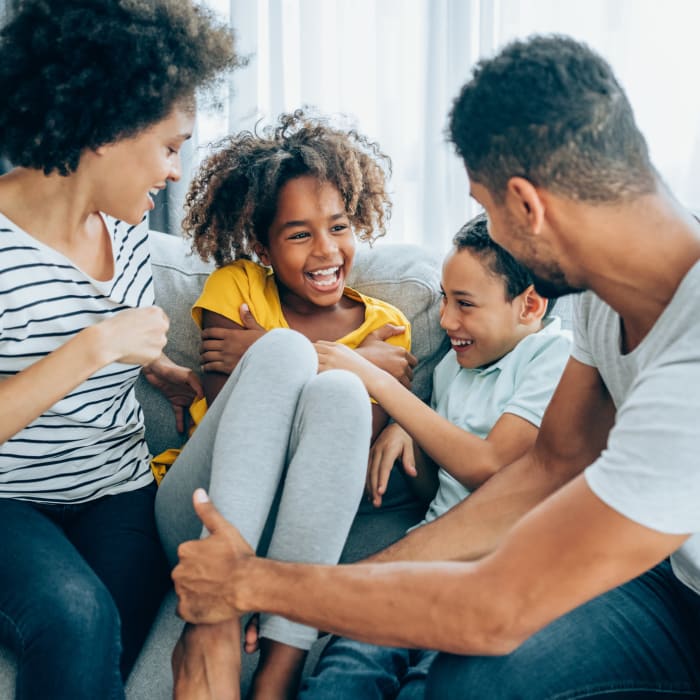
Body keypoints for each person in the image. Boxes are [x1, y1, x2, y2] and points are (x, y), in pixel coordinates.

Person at [171, 33, 700, 699]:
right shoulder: (605, 295)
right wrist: (363, 584)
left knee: (469, 683)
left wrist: (249, 582)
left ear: (526, 206)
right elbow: (548, 469)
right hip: (669, 579)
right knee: (454, 673)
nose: (488, 232)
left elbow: (496, 608)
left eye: (485, 210)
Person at [0, 1, 237, 699]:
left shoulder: (126, 231)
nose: (175, 171)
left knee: (103, 643)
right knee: (77, 617)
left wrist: (157, 367)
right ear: (106, 126)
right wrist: (97, 347)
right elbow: (86, 343)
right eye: (169, 145)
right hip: (8, 500)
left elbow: (82, 334)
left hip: (118, 490)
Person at [154, 111, 415, 700]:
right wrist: (341, 357)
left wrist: (308, 356)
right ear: (263, 246)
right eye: (299, 234)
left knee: (342, 390)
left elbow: (340, 455)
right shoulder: (238, 286)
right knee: (295, 360)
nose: (326, 250)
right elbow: (235, 418)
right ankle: (214, 624)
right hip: (203, 511)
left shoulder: (389, 325)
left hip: (297, 533)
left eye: (339, 226)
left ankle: (282, 664)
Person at [299, 213, 570, 699]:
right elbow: (436, 491)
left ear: (529, 305)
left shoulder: (554, 356)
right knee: (346, 669)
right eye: (445, 300)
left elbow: (491, 469)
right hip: (423, 558)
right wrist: (412, 437)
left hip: (492, 576)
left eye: (465, 304)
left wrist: (383, 386)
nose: (447, 321)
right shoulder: (453, 367)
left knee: (432, 684)